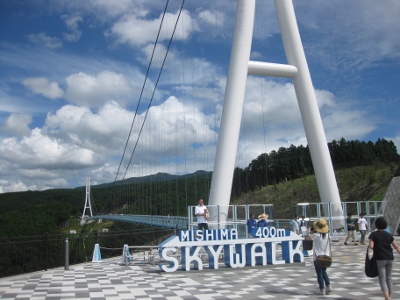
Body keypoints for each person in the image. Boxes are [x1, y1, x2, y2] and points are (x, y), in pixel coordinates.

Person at [368, 216, 400, 300]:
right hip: (390, 257)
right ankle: (389, 296)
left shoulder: (373, 234)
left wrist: (369, 245)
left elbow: (371, 246)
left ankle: (387, 298)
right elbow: (396, 246)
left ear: (376, 225)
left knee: (382, 279)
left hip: (380, 258)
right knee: (389, 278)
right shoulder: (388, 235)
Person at [307, 218, 332, 296]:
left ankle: (322, 289)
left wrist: (308, 232)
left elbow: (307, 238)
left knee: (319, 273)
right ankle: (328, 285)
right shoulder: (328, 236)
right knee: (324, 271)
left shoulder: (316, 235)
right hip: (326, 257)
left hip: (318, 257)